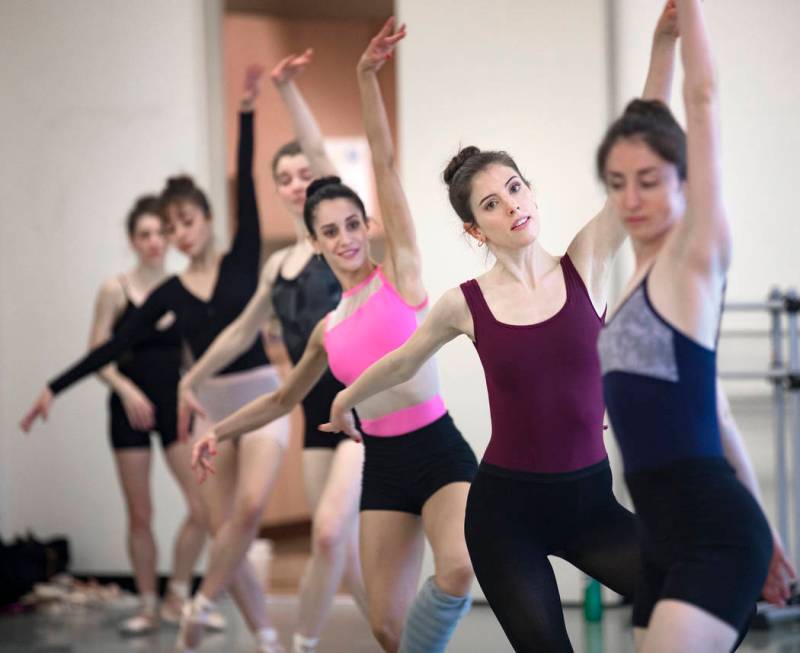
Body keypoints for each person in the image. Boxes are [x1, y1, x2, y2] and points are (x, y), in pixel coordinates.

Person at [320, 6, 678, 652]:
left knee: (692, 604)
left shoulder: (586, 262)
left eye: (515, 188)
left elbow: (644, 146)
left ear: (532, 192)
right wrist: (344, 397)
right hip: (505, 516)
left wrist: (663, 41)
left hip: (592, 505)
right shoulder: (466, 303)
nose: (512, 204)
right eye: (492, 202)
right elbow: (402, 362)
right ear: (473, 229)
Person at [192, 19, 477, 653]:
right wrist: (218, 429)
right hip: (382, 467)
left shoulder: (401, 275)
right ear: (317, 242)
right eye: (331, 231)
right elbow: (278, 401)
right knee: (383, 624)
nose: (346, 238)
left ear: (365, 224)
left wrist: (365, 77)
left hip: (439, 451)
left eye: (353, 223)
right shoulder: (327, 327)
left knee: (457, 569)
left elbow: (385, 160)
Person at [20, 66, 289, 653]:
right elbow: (112, 347)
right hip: (212, 407)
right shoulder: (167, 294)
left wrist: (246, 109)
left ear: (207, 220)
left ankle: (198, 599)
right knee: (224, 528)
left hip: (262, 396)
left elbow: (245, 180)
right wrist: (53, 386)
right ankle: (266, 634)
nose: (180, 234)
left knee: (245, 512)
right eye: (171, 228)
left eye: (186, 222)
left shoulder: (244, 256)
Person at [596, 1, 795, 651]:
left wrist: (694, 18)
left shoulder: (695, 256)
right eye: (618, 183)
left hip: (710, 531)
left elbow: (700, 102)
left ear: (685, 180)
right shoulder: (639, 274)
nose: (630, 199)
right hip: (659, 533)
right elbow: (719, 417)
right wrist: (659, 44)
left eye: (648, 182)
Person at [177, 50, 367, 653]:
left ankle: (300, 642)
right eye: (282, 178)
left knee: (332, 533)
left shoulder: (339, 245)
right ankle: (399, 636)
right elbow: (238, 331)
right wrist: (192, 380)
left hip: (364, 408)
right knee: (341, 550)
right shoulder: (278, 266)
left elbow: (320, 158)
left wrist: (285, 92)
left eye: (301, 175)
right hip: (314, 416)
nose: (294, 184)